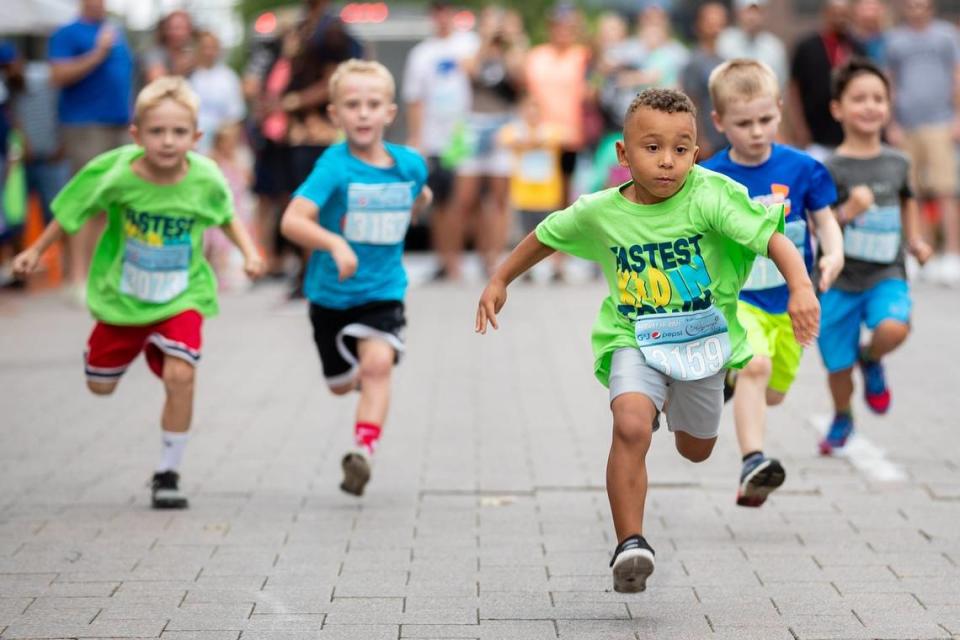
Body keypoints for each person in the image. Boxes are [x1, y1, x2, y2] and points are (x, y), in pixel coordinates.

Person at [475, 88, 820, 593]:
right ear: (622, 153)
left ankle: (694, 398)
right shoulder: (601, 211)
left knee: (696, 450)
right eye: (652, 147)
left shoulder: (710, 195)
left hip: (702, 340)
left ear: (696, 152)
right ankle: (630, 544)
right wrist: (500, 278)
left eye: (681, 149)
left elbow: (772, 238)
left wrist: (802, 286)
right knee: (631, 424)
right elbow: (547, 234)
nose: (667, 162)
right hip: (634, 336)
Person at [11, 77, 265, 508]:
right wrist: (36, 249)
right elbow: (73, 209)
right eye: (157, 132)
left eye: (179, 132)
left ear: (196, 136)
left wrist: (250, 252)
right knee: (99, 387)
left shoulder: (204, 177)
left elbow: (226, 215)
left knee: (180, 374)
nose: (168, 141)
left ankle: (168, 472)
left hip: (182, 295)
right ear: (137, 134)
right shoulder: (116, 173)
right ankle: (126, 351)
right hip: (124, 298)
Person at [280, 60, 432, 497]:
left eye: (372, 104)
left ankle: (362, 453)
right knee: (340, 384)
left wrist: (419, 204)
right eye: (352, 105)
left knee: (378, 364)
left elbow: (419, 194)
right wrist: (334, 244)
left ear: (390, 112)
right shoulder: (334, 166)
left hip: (383, 291)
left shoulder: (409, 164)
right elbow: (293, 220)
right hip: (329, 296)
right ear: (335, 115)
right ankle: (358, 380)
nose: (362, 113)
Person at [701, 59, 845, 507]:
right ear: (720, 122)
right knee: (756, 367)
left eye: (765, 119)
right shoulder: (710, 177)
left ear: (780, 110)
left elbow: (826, 220)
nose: (757, 131)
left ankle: (729, 384)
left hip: (790, 303)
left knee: (776, 393)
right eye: (743, 123)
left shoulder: (804, 169)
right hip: (736, 299)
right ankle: (753, 462)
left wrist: (835, 252)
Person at [818, 58, 932, 454]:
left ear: (889, 105)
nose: (870, 106)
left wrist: (915, 241)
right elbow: (819, 222)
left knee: (895, 327)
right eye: (859, 98)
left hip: (887, 272)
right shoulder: (830, 168)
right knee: (836, 367)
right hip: (839, 279)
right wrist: (848, 211)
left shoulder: (898, 161)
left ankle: (871, 358)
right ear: (837, 108)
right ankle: (842, 414)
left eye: (878, 99)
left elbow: (908, 201)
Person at [49, 0, 134, 302]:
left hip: (120, 124)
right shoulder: (67, 34)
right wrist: (97, 53)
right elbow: (57, 76)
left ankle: (101, 275)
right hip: (85, 125)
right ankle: (77, 279)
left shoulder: (116, 31)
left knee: (113, 202)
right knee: (86, 200)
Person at [402, 0, 479, 281]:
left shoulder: (470, 44)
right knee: (440, 203)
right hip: (435, 138)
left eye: (446, 10)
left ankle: (458, 258)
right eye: (437, 11)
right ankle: (444, 259)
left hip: (466, 135)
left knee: (463, 201)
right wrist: (416, 137)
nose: (442, 16)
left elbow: (482, 76)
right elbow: (415, 99)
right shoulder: (421, 54)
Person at [885, 0, 960, 285]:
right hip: (906, 125)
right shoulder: (895, 40)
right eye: (912, 5)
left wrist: (957, 117)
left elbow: (957, 76)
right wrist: (891, 122)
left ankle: (951, 254)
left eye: (922, 5)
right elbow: (889, 82)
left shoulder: (945, 36)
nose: (917, 10)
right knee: (911, 191)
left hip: (940, 121)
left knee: (945, 189)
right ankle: (919, 252)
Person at [449, 6, 526, 276]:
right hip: (474, 124)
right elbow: (469, 71)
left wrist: (512, 40)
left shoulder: (511, 53)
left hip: (503, 125)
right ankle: (457, 259)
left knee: (499, 196)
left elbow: (521, 78)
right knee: (466, 197)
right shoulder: (472, 51)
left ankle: (494, 258)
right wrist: (486, 41)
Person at [497, 92, 566, 279]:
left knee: (555, 231)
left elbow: (558, 138)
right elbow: (504, 140)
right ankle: (525, 268)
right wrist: (530, 143)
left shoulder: (549, 130)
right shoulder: (515, 131)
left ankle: (557, 267)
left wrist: (528, 143)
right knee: (525, 234)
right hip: (524, 194)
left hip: (547, 194)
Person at [787, 0, 864, 160]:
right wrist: (799, 128)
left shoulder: (856, 47)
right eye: (835, 13)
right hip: (815, 137)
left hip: (848, 138)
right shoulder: (807, 47)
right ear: (825, 14)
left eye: (843, 14)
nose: (839, 18)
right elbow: (794, 89)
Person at [206, 122, 255, 291]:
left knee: (230, 243)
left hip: (238, 206)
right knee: (214, 242)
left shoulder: (240, 158)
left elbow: (247, 180)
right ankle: (214, 274)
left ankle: (229, 275)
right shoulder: (212, 160)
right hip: (216, 208)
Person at [681, 2, 729, 160]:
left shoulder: (724, 59)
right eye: (710, 19)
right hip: (707, 140)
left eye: (719, 19)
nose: (715, 24)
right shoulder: (694, 61)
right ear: (699, 24)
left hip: (725, 137)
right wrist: (700, 139)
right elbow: (692, 102)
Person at [189, 31, 245, 154]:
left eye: (212, 47)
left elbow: (235, 116)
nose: (208, 52)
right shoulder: (190, 76)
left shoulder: (229, 78)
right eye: (205, 47)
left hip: (221, 146)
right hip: (194, 145)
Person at [717, 0, 788, 88]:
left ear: (765, 14)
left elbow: (780, 85)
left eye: (757, 11)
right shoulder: (723, 42)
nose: (752, 17)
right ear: (737, 12)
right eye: (748, 11)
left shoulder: (775, 47)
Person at [143, 9, 196, 82]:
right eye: (174, 28)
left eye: (181, 28)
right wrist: (179, 70)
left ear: (189, 31)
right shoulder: (155, 54)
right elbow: (157, 82)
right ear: (165, 30)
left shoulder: (190, 57)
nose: (177, 33)